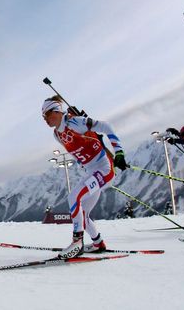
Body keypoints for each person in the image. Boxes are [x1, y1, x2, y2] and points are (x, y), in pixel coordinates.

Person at [42, 96, 128, 258]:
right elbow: (78, 147)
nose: (45, 119)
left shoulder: (75, 122)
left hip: (104, 169)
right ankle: (98, 243)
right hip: (92, 172)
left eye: (47, 114)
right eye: (43, 117)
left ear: (57, 111)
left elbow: (106, 126)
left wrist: (119, 153)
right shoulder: (57, 135)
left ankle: (77, 242)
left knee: (73, 197)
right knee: (83, 213)